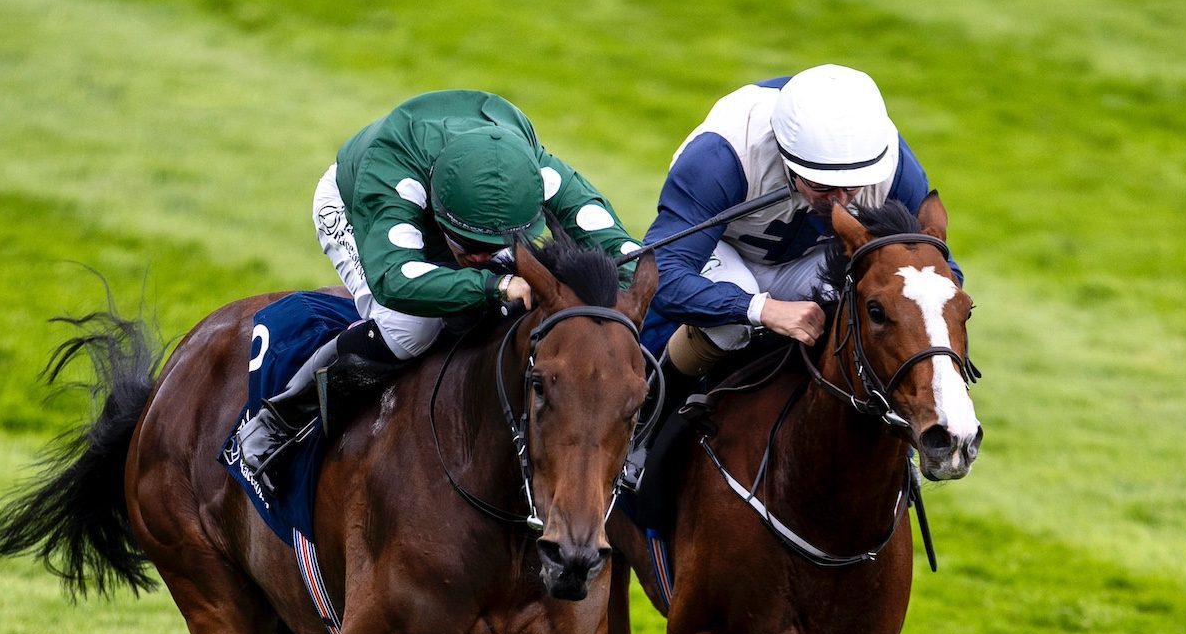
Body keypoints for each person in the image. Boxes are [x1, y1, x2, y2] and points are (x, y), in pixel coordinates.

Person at [232, 90, 642, 491]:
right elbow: (397, 279)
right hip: (358, 206)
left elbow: (626, 255)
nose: (484, 257)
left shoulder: (535, 174)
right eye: (472, 249)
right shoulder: (389, 175)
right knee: (411, 328)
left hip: (459, 199)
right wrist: (496, 284)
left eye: (494, 250)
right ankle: (280, 421)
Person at [640, 64, 962, 382]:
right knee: (731, 325)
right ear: (786, 158)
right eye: (821, 185)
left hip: (809, 260)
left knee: (860, 303)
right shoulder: (722, 157)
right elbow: (660, 273)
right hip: (723, 247)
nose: (840, 200)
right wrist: (760, 309)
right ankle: (651, 415)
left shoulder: (894, 169)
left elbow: (939, 272)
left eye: (853, 186)